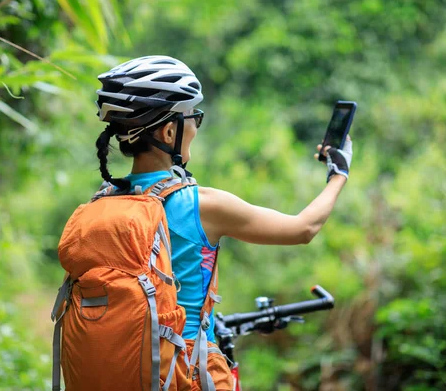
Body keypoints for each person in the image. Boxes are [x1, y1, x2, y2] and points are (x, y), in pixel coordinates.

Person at [93, 55, 353, 390]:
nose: (196, 127)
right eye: (194, 117)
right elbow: (304, 229)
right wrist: (339, 175)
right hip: (184, 377)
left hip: (125, 371)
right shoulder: (200, 204)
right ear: (170, 130)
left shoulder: (104, 200)